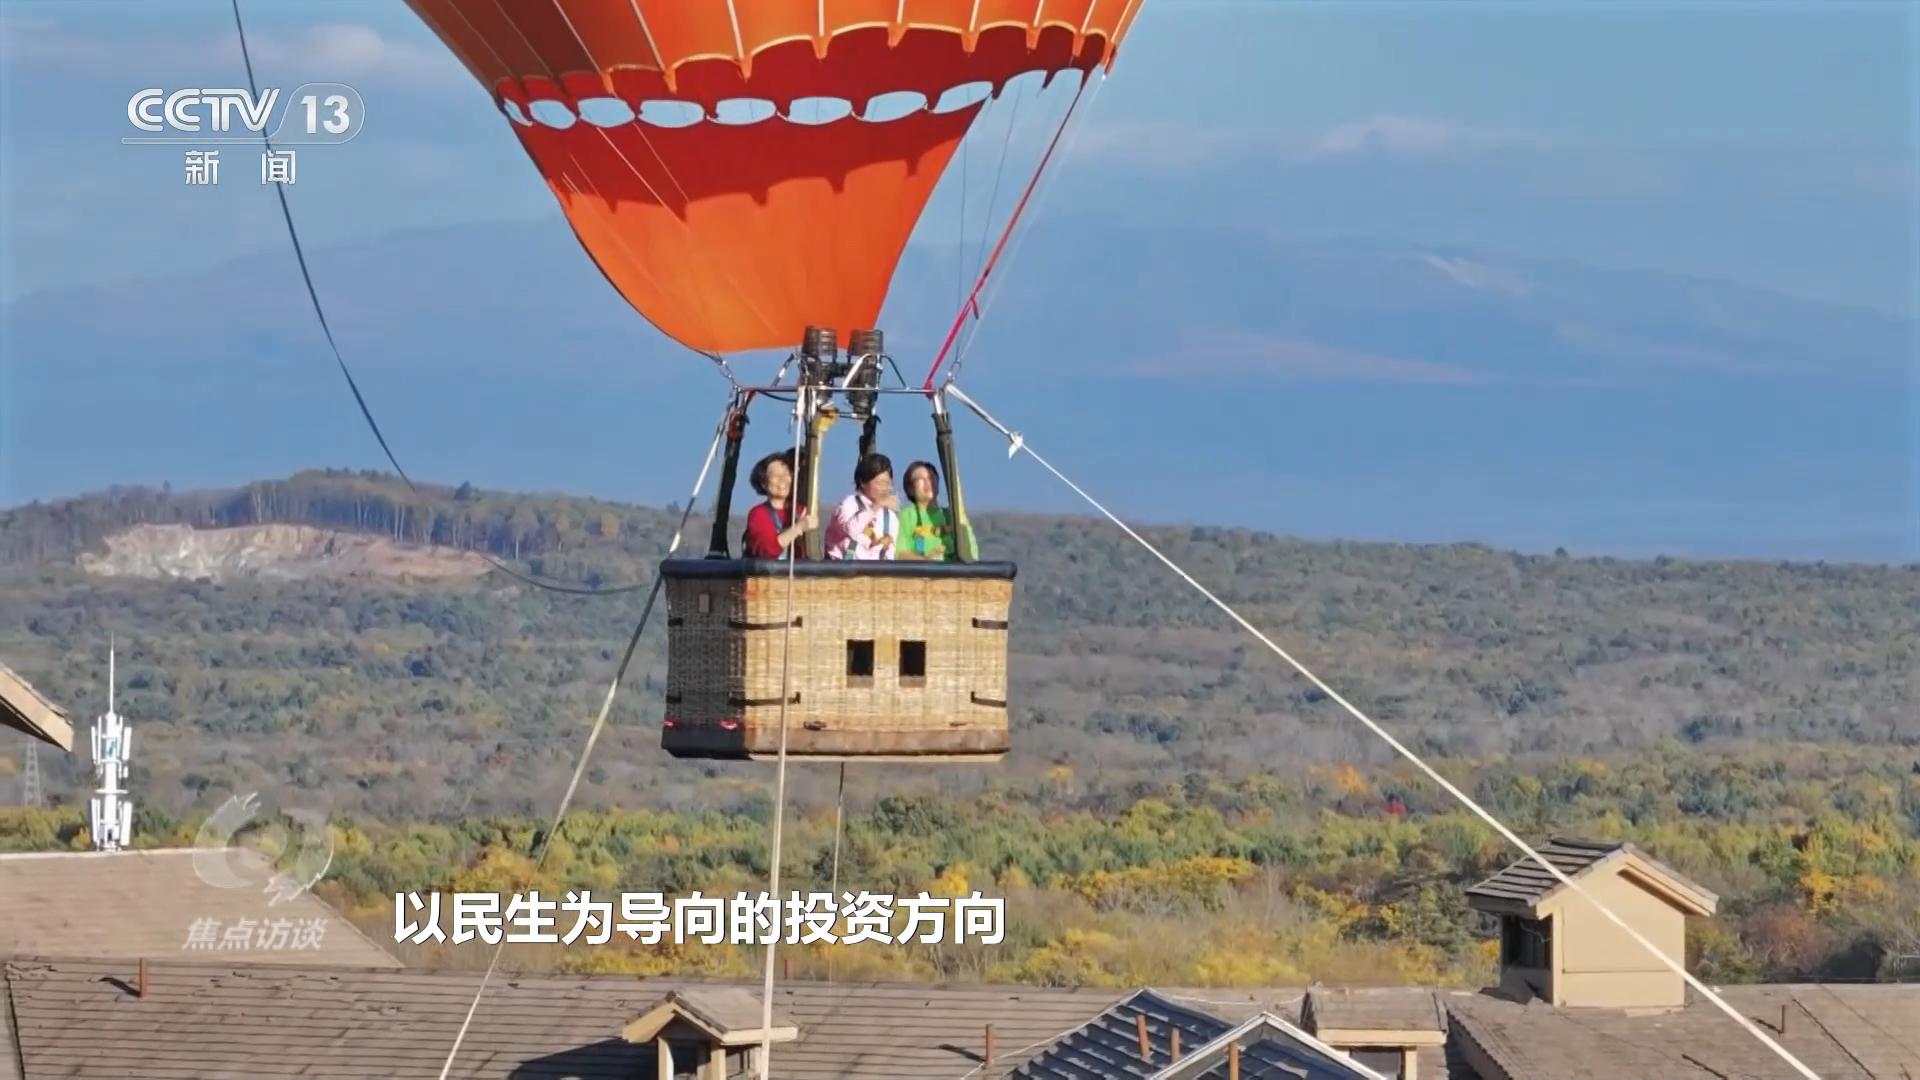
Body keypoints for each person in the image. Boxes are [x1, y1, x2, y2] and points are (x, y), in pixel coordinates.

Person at [823, 452, 899, 560]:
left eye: (887, 483)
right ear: (863, 482)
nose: (883, 488)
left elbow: (890, 555)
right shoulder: (849, 505)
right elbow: (851, 530)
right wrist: (875, 507)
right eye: (879, 483)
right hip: (842, 568)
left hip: (877, 569)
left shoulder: (890, 517)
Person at [740, 450, 814, 559]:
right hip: (772, 570)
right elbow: (766, 550)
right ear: (764, 483)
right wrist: (798, 528)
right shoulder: (758, 514)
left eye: (787, 473)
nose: (782, 479)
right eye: (775, 475)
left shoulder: (801, 511)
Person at [894, 460, 960, 561]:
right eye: (921, 479)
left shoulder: (951, 515)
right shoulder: (906, 516)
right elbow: (899, 554)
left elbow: (969, 552)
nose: (928, 482)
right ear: (910, 489)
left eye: (931, 477)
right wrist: (926, 560)